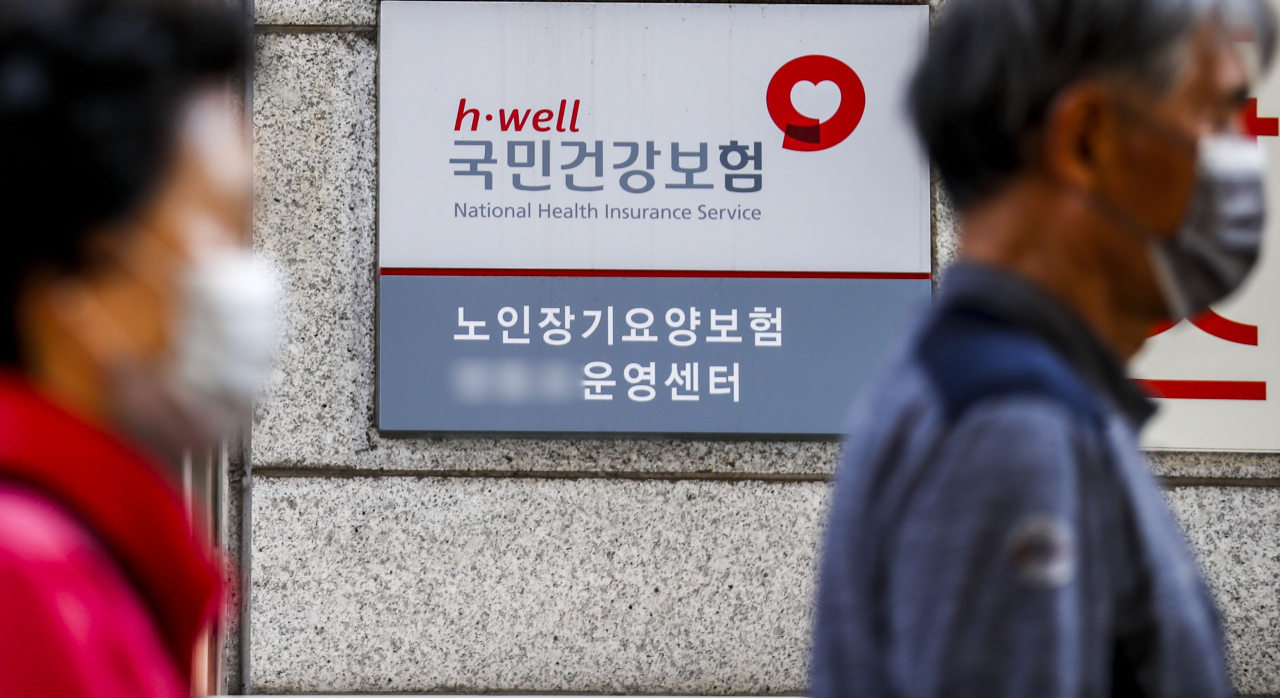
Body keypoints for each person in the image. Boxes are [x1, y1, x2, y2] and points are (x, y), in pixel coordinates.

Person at [811, 0, 1274, 696]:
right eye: (1210, 115)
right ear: (1088, 140)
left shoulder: (984, 388)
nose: (1237, 157)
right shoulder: (1009, 426)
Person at [0, 1, 274, 695]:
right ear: (77, 285)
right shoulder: (29, 580)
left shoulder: (93, 562)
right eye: (221, 228)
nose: (250, 279)